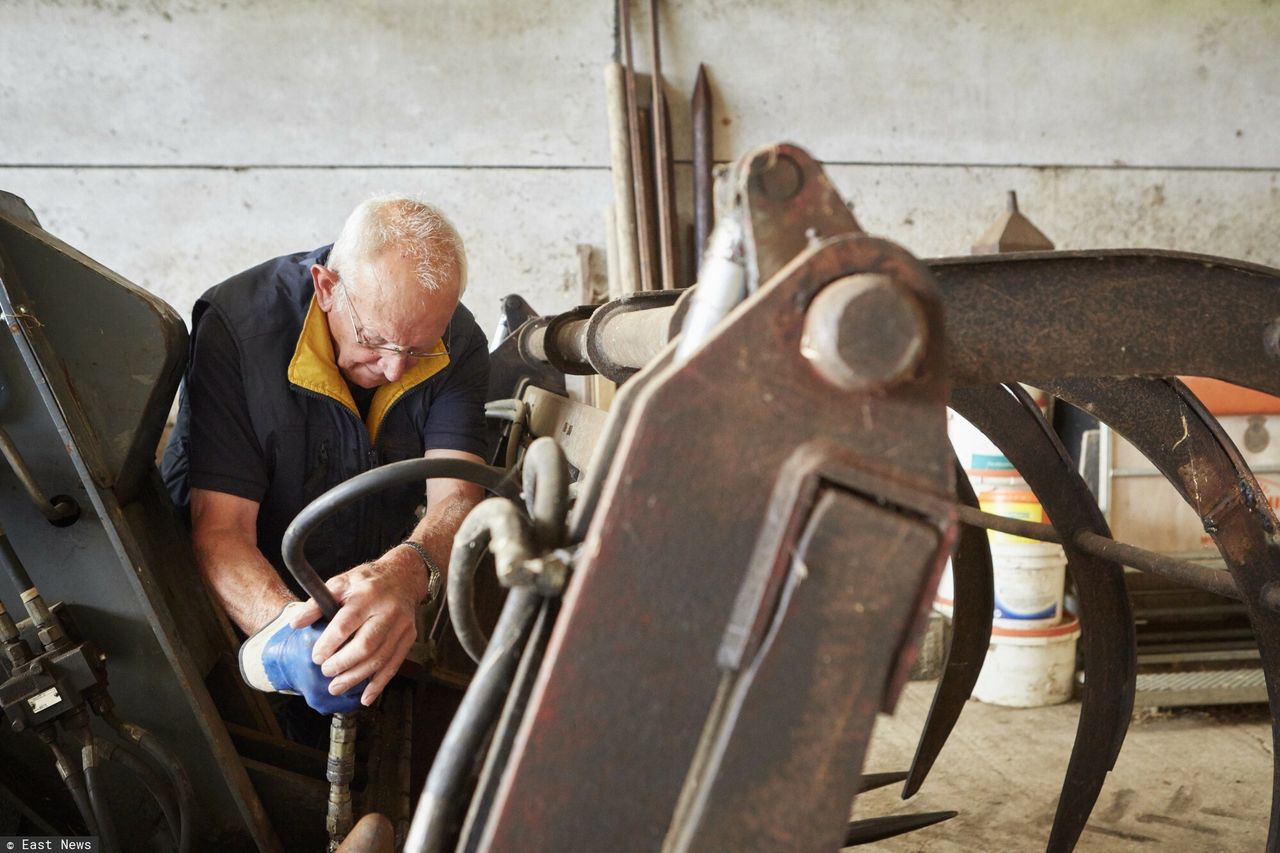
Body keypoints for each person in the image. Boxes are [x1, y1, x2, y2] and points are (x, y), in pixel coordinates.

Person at [162, 195, 489, 723]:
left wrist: (406, 572)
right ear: (326, 287)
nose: (394, 371)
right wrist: (288, 635)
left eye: (418, 350)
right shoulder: (239, 331)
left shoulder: (458, 341)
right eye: (375, 340)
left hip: (367, 605)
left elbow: (456, 499)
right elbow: (220, 531)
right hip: (231, 614)